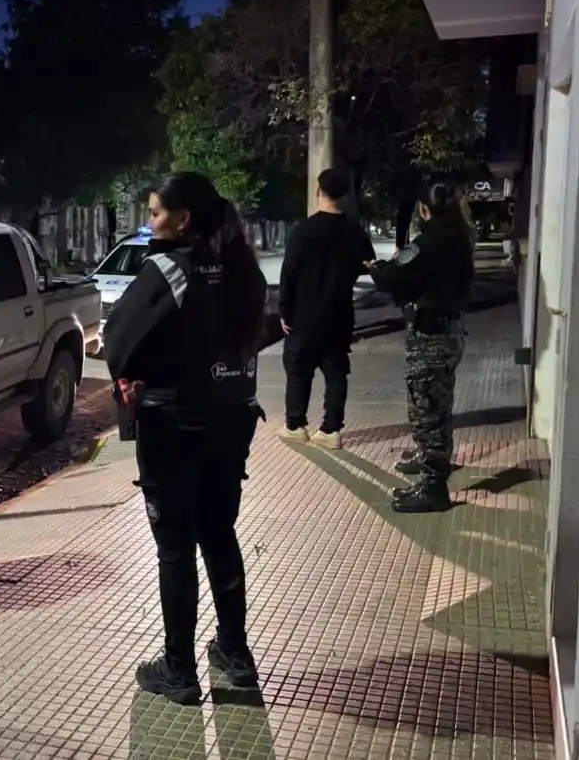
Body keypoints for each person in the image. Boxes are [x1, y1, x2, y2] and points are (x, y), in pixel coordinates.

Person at [103, 171, 268, 705]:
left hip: (176, 425)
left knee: (175, 546)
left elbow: (119, 341)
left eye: (154, 213)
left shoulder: (169, 269)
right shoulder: (242, 265)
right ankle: (235, 654)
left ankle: (179, 671)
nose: (149, 223)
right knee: (219, 532)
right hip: (233, 417)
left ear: (183, 218)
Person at [366, 182, 475, 514]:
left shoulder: (428, 242)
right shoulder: (459, 239)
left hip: (430, 337)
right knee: (439, 407)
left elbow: (397, 275)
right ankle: (433, 468)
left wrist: (377, 269)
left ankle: (433, 487)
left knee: (426, 411)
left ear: (424, 210)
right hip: (450, 332)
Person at [277, 168, 376, 449]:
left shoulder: (303, 231)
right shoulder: (354, 231)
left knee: (298, 370)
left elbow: (289, 274)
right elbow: (367, 264)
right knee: (335, 372)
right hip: (339, 314)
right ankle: (331, 430)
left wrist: (285, 310)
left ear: (319, 191)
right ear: (345, 194)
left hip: (304, 316)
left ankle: (295, 425)